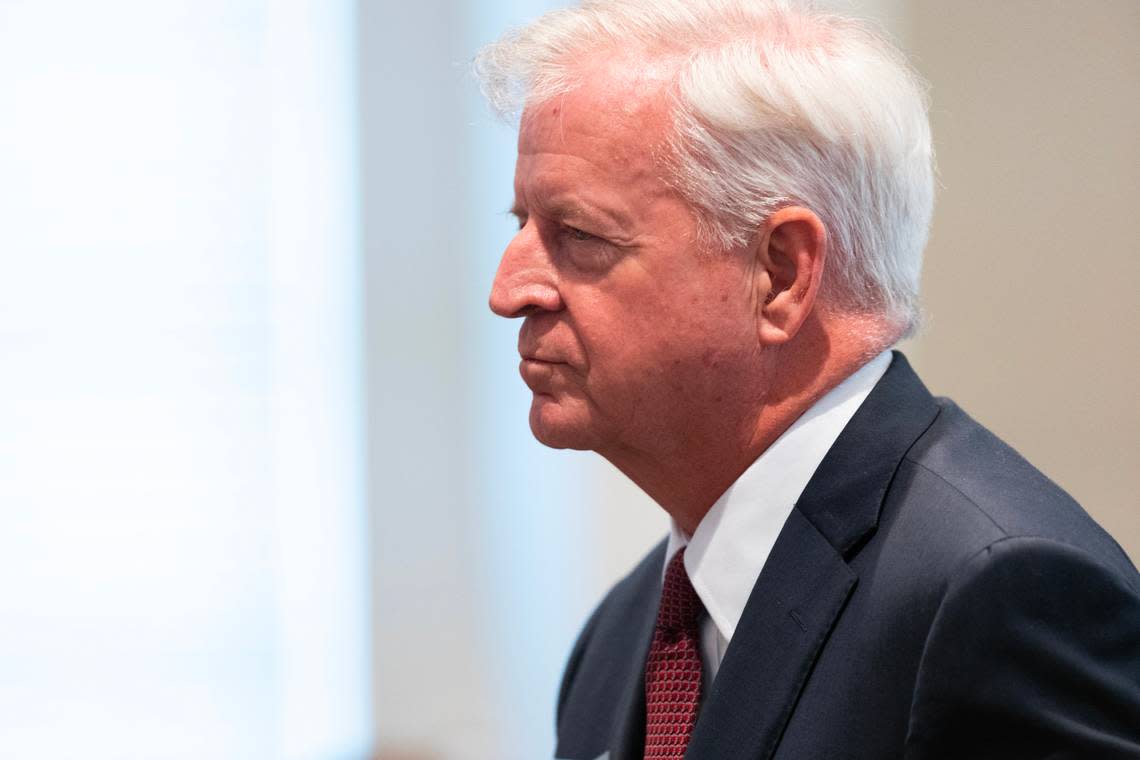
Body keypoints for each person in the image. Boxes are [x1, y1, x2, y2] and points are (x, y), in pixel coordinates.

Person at [475, 1, 1140, 758]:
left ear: (781, 274)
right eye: (520, 222)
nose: (509, 288)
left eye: (579, 236)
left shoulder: (998, 594)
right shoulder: (620, 640)